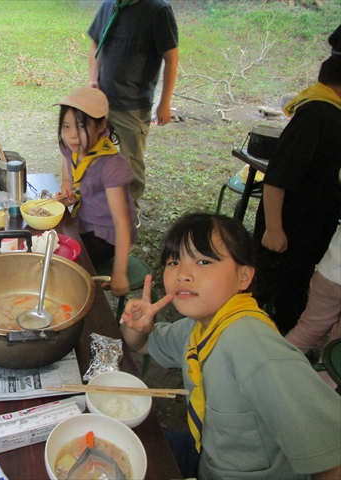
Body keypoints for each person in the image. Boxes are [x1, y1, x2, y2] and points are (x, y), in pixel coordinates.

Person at [120, 212, 340, 480]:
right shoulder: (201, 327)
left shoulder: (255, 349)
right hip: (208, 462)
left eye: (203, 261)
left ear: (244, 277)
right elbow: (142, 345)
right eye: (174, 261)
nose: (183, 274)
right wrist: (136, 328)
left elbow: (332, 456)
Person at [252, 25, 341, 334]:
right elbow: (275, 179)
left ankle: (280, 341)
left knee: (291, 296)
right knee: (258, 292)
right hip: (286, 233)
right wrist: (273, 229)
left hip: (308, 234)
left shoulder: (332, 113)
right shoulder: (318, 114)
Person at [88, 0, 179, 209]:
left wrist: (165, 102)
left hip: (133, 105)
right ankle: (98, 202)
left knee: (131, 162)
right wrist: (93, 78)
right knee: (96, 153)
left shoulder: (158, 10)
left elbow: (171, 58)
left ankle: (130, 209)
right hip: (102, 100)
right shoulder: (110, 4)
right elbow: (95, 43)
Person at [55, 87, 137, 297]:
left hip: (106, 235)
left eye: (81, 126)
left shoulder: (110, 164)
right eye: (66, 126)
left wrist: (120, 272)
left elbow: (122, 223)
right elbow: (67, 168)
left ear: (101, 125)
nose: (72, 135)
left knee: (65, 269)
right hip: (82, 221)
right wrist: (67, 187)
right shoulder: (72, 146)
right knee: (44, 245)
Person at [286, 224, 341, 389]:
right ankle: (317, 395)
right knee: (337, 351)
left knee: (307, 330)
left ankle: (270, 371)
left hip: (330, 272)